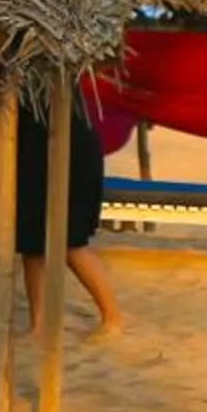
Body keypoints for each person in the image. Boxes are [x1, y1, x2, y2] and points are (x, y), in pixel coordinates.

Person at [15, 86, 123, 338]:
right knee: (32, 246)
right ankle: (38, 324)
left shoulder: (50, 76)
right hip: (34, 157)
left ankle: (113, 318)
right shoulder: (16, 77)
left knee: (71, 243)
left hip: (71, 155)